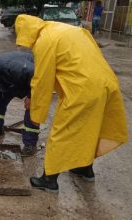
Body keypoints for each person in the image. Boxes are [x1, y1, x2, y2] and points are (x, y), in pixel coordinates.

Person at [14, 14, 128, 192]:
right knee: (89, 128)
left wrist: (36, 113)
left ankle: (49, 179)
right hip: (107, 84)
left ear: (26, 32)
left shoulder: (45, 41)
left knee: (61, 132)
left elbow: (42, 80)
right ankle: (85, 169)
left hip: (82, 89)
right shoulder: (70, 30)